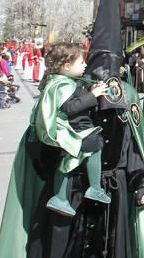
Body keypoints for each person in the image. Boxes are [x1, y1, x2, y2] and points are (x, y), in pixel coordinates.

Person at [0, 0, 144, 258]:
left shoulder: (127, 95)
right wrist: (68, 152)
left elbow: (134, 144)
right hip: (70, 190)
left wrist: (140, 184)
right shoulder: (68, 91)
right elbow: (42, 137)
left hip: (112, 191)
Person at [30, 44, 112, 217]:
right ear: (67, 66)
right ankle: (94, 188)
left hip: (68, 132)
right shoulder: (62, 85)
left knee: (68, 162)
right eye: (81, 62)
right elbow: (70, 107)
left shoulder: (59, 81)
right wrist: (93, 95)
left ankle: (59, 198)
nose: (85, 65)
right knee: (95, 144)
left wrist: (88, 90)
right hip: (71, 131)